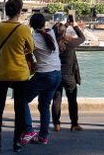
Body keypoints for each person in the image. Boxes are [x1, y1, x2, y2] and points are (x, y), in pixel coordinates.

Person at [0, 0, 34, 153]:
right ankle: (16, 142)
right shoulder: (24, 29)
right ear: (19, 12)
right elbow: (31, 47)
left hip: (1, 72)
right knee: (20, 109)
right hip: (19, 73)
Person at [20, 13, 61, 146]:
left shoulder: (33, 39)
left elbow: (23, 51)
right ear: (44, 23)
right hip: (57, 74)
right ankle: (43, 137)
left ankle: (28, 130)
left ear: (31, 25)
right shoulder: (51, 33)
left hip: (44, 74)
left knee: (22, 99)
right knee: (44, 105)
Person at [51, 15, 86, 132]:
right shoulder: (70, 42)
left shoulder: (52, 43)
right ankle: (74, 124)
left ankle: (56, 124)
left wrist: (64, 26)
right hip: (69, 76)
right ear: (64, 32)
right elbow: (82, 38)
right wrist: (74, 25)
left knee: (56, 100)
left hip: (56, 74)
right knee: (72, 100)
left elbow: (52, 32)